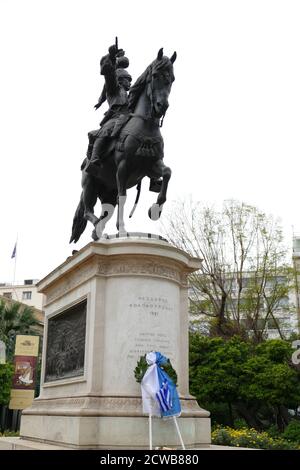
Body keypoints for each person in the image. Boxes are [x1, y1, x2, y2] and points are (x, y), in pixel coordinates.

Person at [85, 43, 132, 176]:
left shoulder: (129, 94)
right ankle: (94, 159)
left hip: (129, 115)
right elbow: (109, 74)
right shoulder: (113, 89)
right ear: (121, 80)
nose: (130, 83)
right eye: (128, 80)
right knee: (105, 131)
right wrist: (111, 57)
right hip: (115, 116)